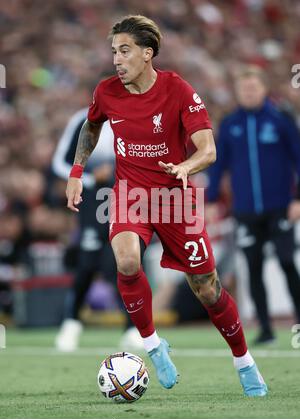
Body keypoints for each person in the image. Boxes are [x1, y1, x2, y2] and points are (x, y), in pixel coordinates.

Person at [65, 15, 267, 396]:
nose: (116, 60)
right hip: (130, 195)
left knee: (207, 289)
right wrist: (77, 171)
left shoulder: (178, 89)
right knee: (126, 260)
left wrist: (184, 166)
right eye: (113, 52)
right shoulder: (107, 92)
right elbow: (91, 126)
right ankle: (154, 345)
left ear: (147, 53)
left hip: (175, 199)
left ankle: (244, 361)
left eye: (124, 51)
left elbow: (208, 149)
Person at [207, 66, 300, 345]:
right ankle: (266, 329)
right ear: (238, 92)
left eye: (253, 88)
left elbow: (298, 158)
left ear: (263, 89)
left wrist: (298, 198)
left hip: (280, 206)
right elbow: (217, 164)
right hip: (245, 209)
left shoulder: (280, 119)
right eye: (244, 89)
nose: (248, 93)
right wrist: (211, 199)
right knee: (253, 266)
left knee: (286, 261)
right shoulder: (230, 124)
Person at [52, 108, 143, 351]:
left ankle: (132, 327)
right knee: (88, 263)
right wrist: (90, 175)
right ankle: (71, 323)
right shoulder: (82, 120)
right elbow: (60, 162)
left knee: (125, 261)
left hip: (127, 198)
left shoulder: (136, 115)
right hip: (94, 201)